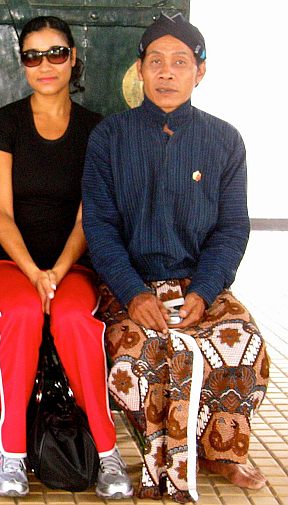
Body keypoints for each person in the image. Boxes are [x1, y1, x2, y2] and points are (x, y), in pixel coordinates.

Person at [82, 12, 269, 503]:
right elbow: (99, 229)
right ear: (139, 70)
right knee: (138, 359)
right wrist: (132, 292)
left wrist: (205, 293)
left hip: (197, 283)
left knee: (241, 343)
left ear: (199, 71)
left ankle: (222, 450)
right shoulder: (109, 138)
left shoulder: (224, 140)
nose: (167, 73)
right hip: (129, 285)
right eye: (157, 62)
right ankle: (155, 458)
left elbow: (232, 230)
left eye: (180, 63)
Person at [0, 16, 133, 499]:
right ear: (22, 63)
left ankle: (107, 454)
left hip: (72, 265)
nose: (45, 65)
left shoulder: (96, 130)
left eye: (56, 53)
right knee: (22, 314)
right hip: (7, 263)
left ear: (73, 58)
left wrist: (58, 273)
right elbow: (0, 214)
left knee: (76, 323)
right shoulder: (4, 123)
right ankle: (13, 453)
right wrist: (34, 274)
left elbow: (90, 218)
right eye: (33, 56)